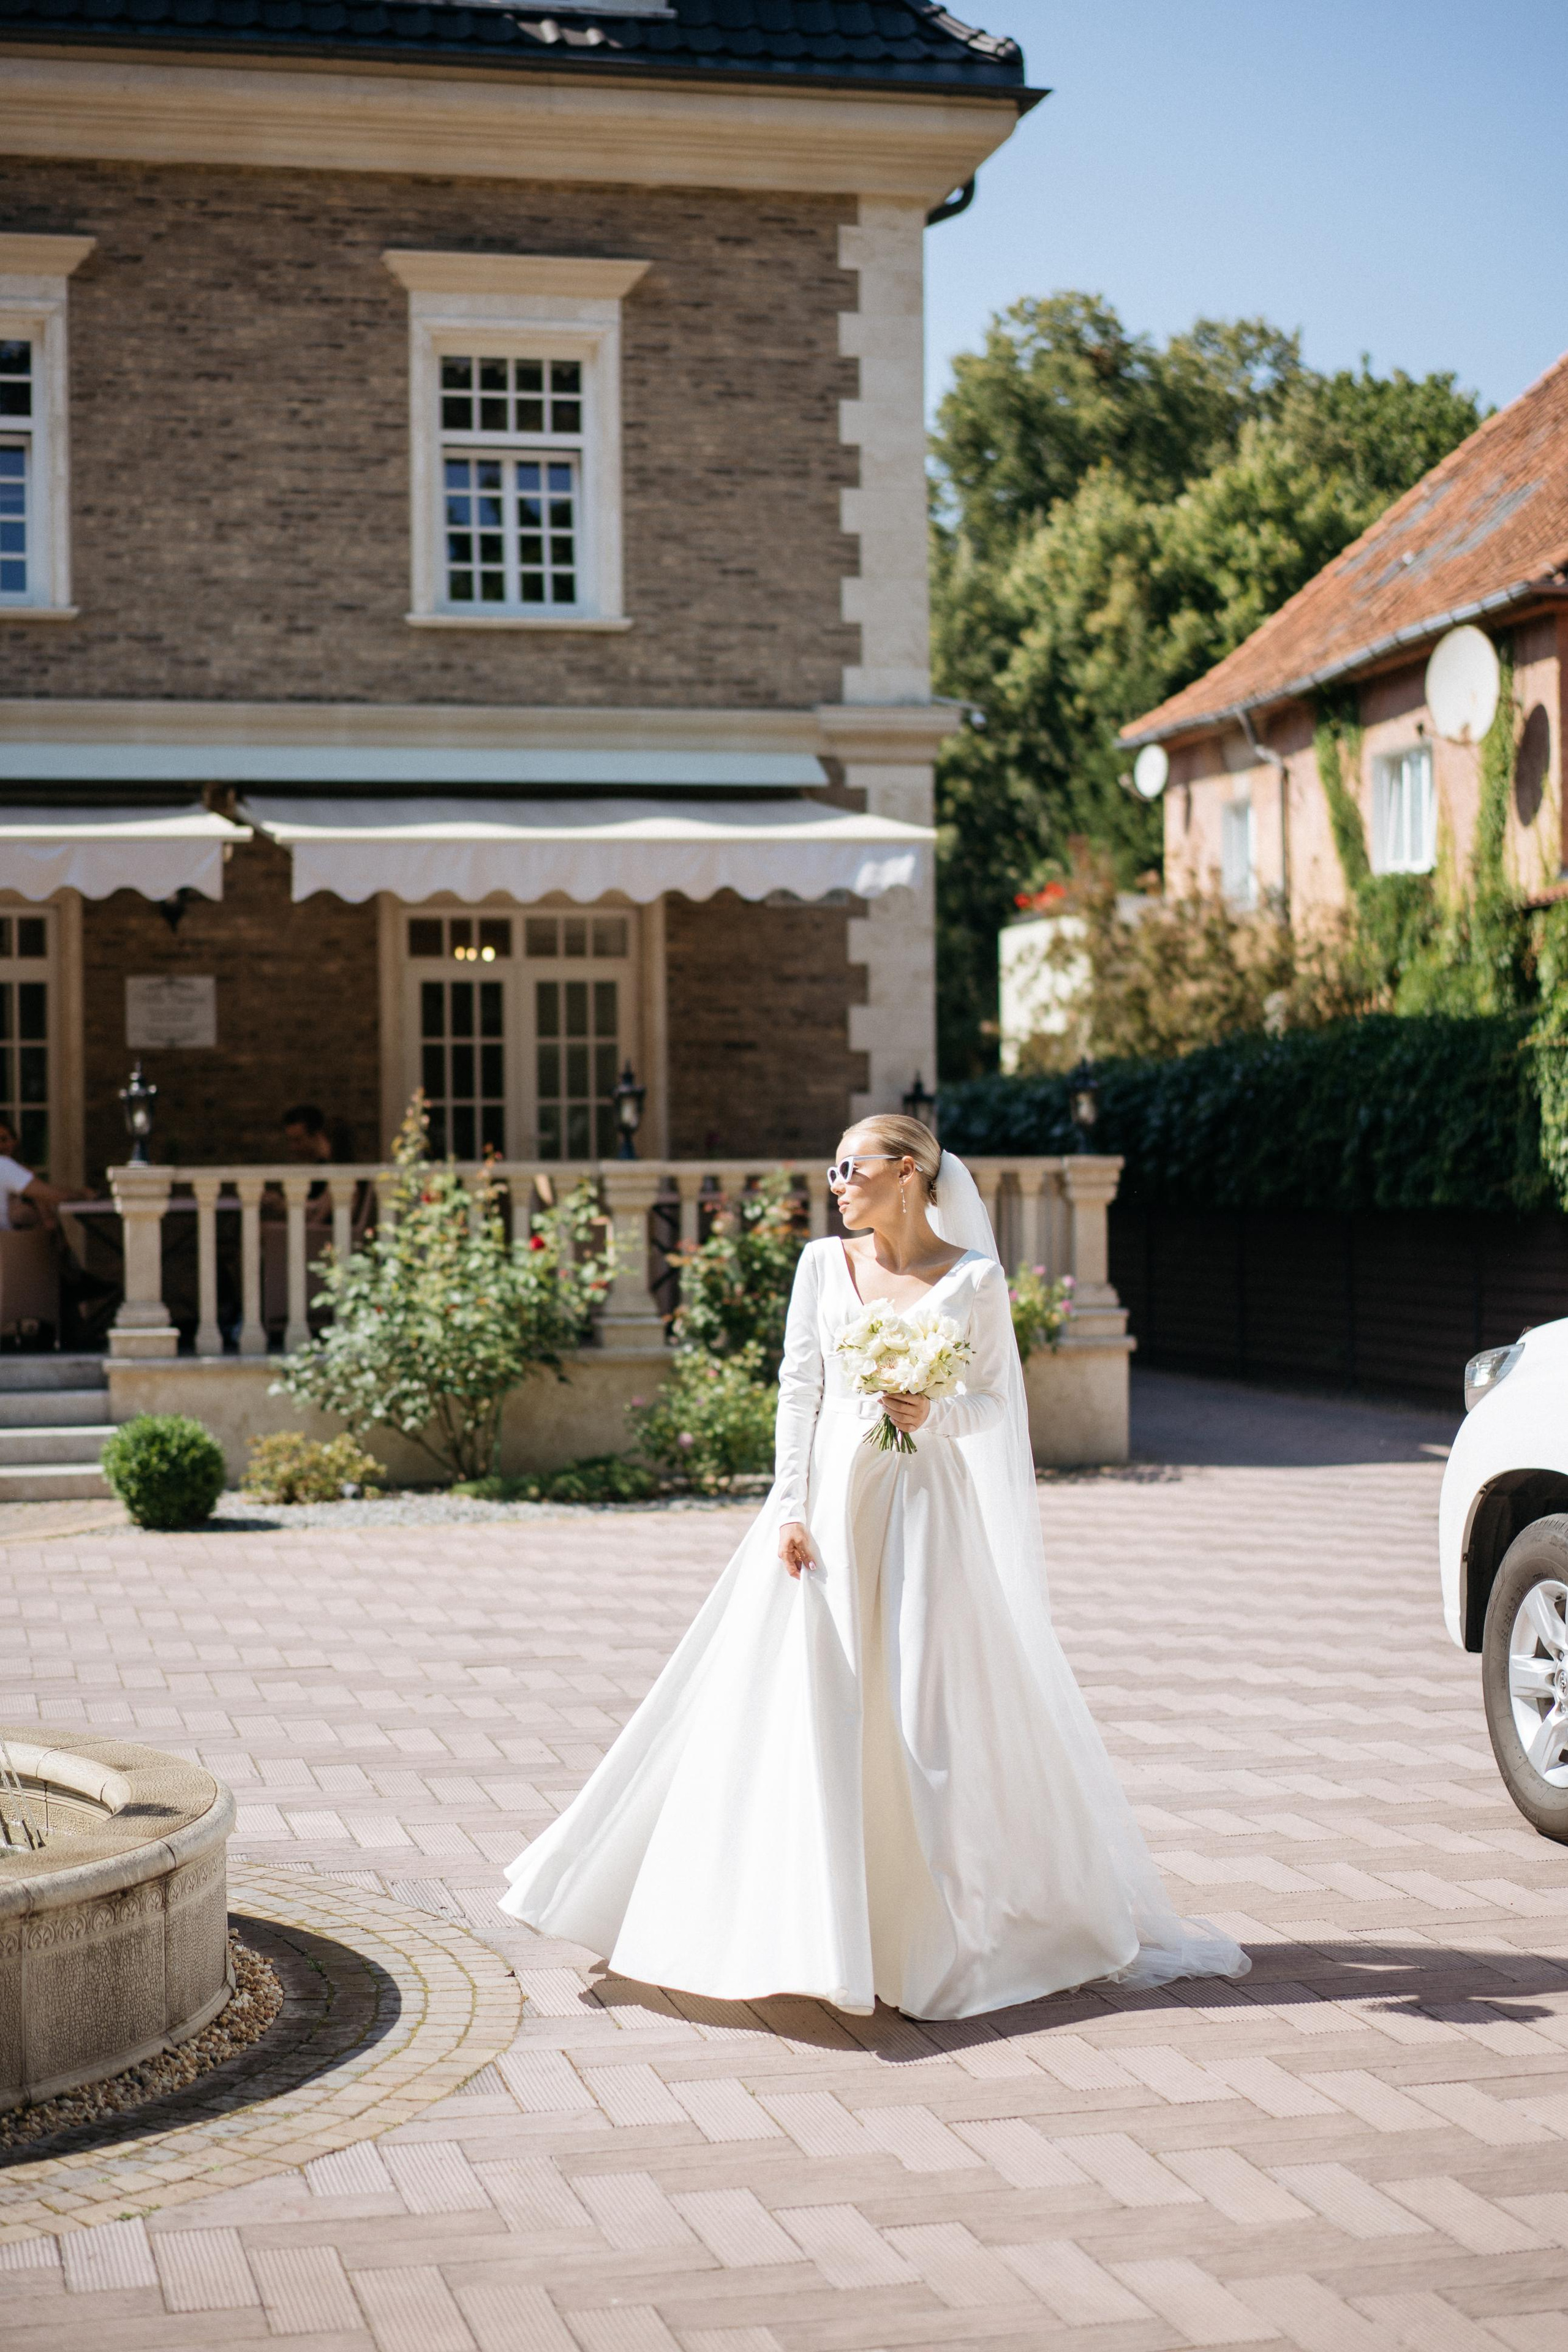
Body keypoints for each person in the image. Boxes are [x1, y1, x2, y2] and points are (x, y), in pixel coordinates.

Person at [499, 1116, 1246, 2020]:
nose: (835, 1183)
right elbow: (801, 1387)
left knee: (923, 1719)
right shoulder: (823, 1265)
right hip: (824, 1517)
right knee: (805, 1710)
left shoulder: (972, 1278)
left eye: (849, 1167)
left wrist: (932, 1412)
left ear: (906, 1173)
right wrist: (787, 1506)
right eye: (833, 1168)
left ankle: (933, 1938)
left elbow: (996, 1408)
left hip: (926, 1515)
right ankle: (790, 1929)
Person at [0, 1121, 92, 1231]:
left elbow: (46, 1209)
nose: (4, 1145)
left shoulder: (15, 1169)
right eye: (2, 1140)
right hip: (10, 1243)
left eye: (7, 1139)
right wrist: (83, 1194)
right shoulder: (5, 1166)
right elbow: (55, 1196)